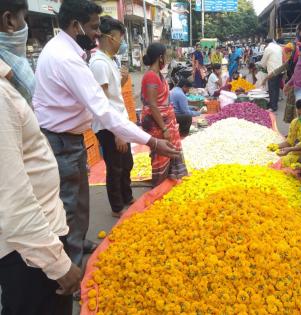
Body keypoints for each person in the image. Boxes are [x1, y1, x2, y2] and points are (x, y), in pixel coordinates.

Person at [33, 0, 179, 267]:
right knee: (70, 204)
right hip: (62, 138)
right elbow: (104, 109)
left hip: (68, 135)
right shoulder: (66, 59)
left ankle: (77, 242)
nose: (96, 35)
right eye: (92, 28)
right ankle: (70, 267)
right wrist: (152, 140)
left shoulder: (68, 52)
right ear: (74, 25)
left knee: (79, 200)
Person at [0, 1, 81, 314]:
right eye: (24, 21)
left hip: (29, 246)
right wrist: (58, 264)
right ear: (9, 21)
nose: (25, 29)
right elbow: (12, 198)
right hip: (28, 256)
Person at [89, 16, 134, 218]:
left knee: (127, 163)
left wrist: (122, 80)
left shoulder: (109, 60)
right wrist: (117, 133)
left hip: (119, 121)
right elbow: (103, 103)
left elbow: (113, 93)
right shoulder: (98, 63)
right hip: (109, 126)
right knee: (115, 167)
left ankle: (127, 196)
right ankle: (117, 207)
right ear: (109, 37)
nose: (121, 42)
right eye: (119, 38)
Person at [141, 43, 189, 186]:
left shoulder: (157, 75)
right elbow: (153, 105)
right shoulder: (151, 76)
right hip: (157, 122)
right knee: (161, 154)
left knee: (167, 151)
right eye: (166, 56)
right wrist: (165, 128)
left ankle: (167, 183)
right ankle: (160, 185)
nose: (167, 59)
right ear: (160, 57)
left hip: (165, 119)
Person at [260, 38, 282, 112]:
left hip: (273, 72)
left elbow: (263, 62)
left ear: (266, 43)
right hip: (280, 71)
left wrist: (262, 65)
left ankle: (273, 107)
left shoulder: (268, 48)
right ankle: (273, 104)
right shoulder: (278, 47)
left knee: (272, 89)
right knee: (276, 89)